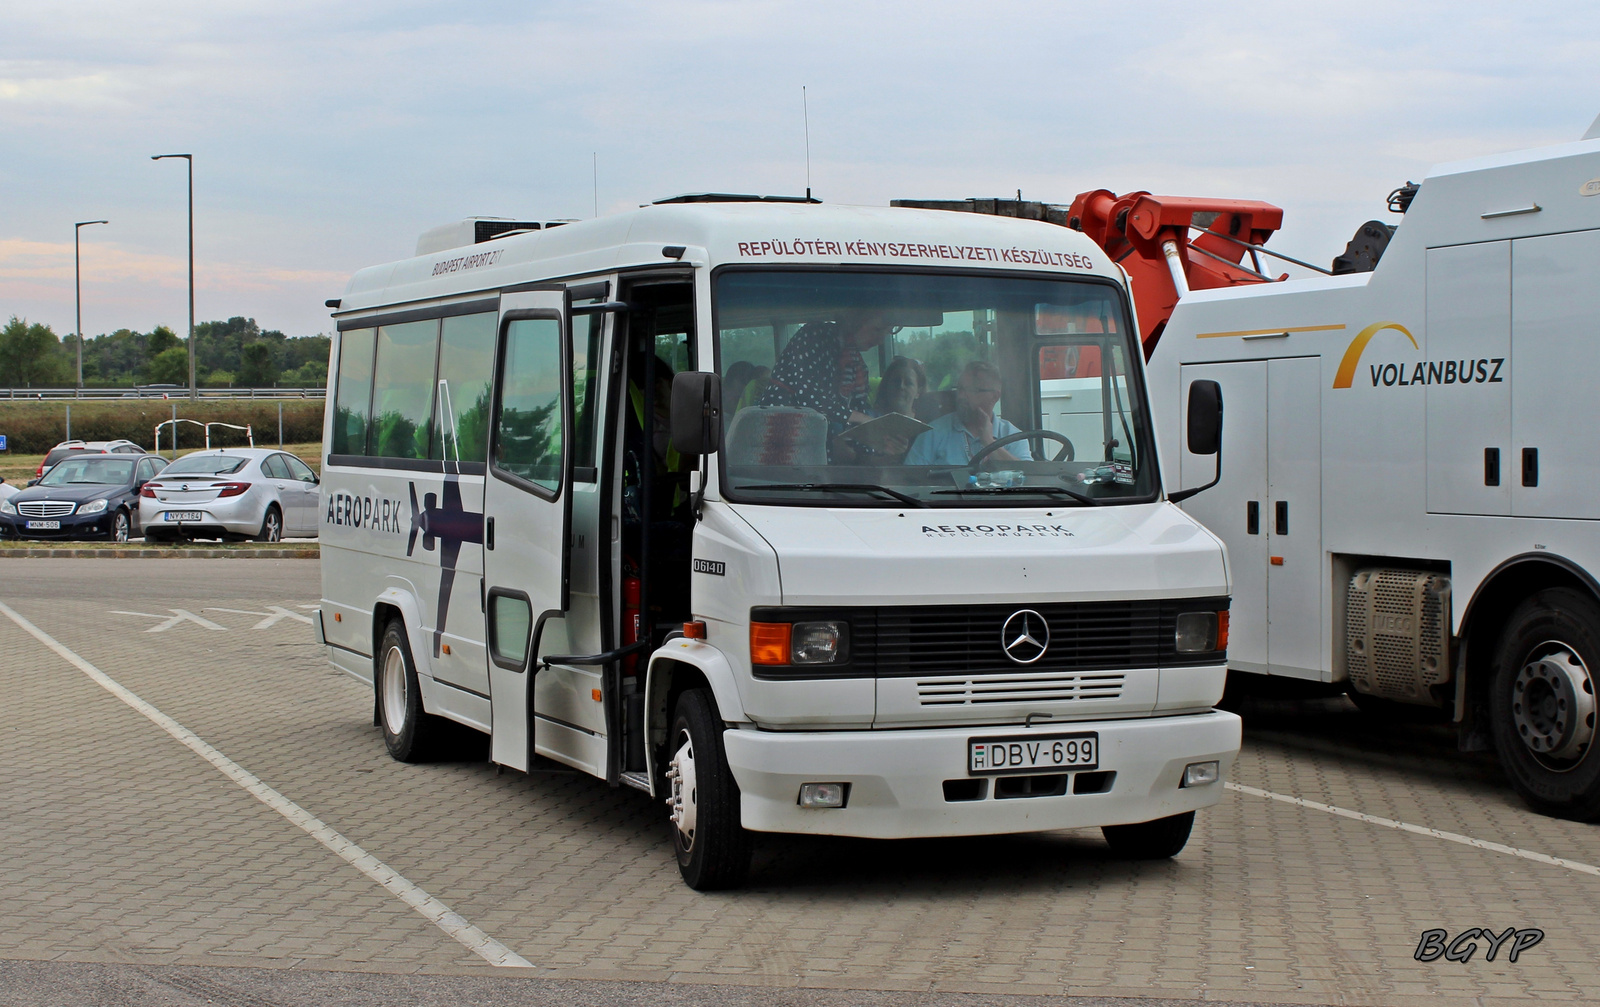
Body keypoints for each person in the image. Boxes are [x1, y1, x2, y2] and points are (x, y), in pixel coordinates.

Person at [905, 360, 1033, 465]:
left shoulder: (1013, 436)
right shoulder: (934, 432)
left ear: (995, 396)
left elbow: (1029, 478)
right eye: (960, 388)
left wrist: (989, 442)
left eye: (971, 390)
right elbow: (910, 480)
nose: (961, 396)